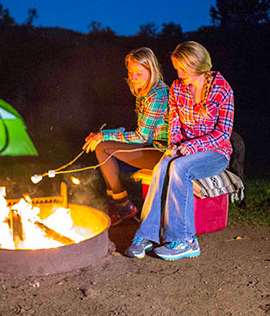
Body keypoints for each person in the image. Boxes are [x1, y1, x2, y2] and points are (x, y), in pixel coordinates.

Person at [125, 41, 234, 260]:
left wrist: (191, 146)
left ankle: (184, 240)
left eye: (184, 67)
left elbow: (224, 134)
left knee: (181, 167)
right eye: (177, 67)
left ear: (199, 65)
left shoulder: (222, 90)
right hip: (185, 149)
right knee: (163, 164)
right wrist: (173, 144)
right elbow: (174, 123)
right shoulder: (177, 88)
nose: (180, 72)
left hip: (215, 153)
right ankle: (146, 235)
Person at [84, 47, 169, 226]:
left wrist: (104, 135)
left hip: (165, 153)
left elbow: (142, 137)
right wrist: (103, 136)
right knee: (103, 146)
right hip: (153, 147)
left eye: (139, 73)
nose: (133, 77)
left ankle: (122, 206)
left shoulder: (158, 95)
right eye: (131, 72)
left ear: (151, 70)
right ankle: (121, 204)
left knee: (102, 146)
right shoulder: (144, 92)